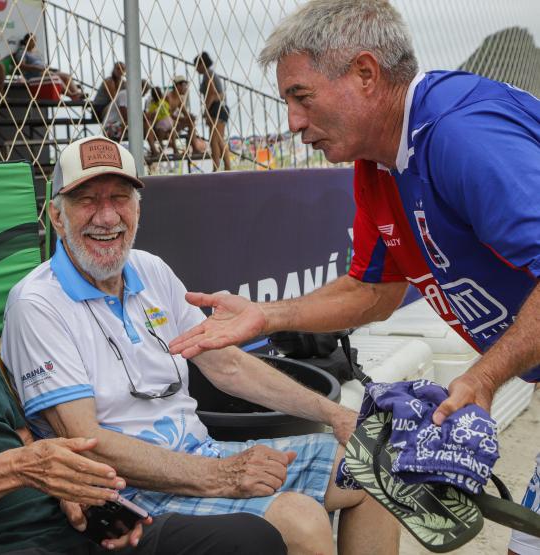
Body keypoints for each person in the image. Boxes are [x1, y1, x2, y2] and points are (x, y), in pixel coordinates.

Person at [169, 1, 540, 553]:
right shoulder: (377, 166)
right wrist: (268, 315)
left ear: (366, 74)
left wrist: (483, 379)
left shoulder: (460, 134)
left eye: (301, 96)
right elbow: (374, 292)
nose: (292, 122)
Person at [0, 144, 288, 555]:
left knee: (253, 539)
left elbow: (21, 432)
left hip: (76, 522)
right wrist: (24, 469)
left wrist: (72, 487)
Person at [1, 136, 399, 555]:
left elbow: (228, 365)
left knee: (375, 468)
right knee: (300, 520)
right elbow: (85, 440)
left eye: (120, 197)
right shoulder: (36, 303)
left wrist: (335, 415)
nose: (106, 216)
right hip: (132, 491)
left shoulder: (150, 270)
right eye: (87, 200)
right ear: (58, 218)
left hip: (203, 452)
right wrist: (223, 475)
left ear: (138, 209)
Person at [14, 33, 83, 100]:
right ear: (26, 41)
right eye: (32, 40)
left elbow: (43, 66)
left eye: (35, 40)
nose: (34, 42)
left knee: (67, 76)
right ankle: (70, 94)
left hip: (44, 72)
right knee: (54, 76)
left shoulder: (36, 53)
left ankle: (76, 95)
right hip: (34, 74)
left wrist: (52, 69)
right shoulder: (22, 52)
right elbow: (21, 66)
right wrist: (36, 68)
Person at [194, 52, 232, 171]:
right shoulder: (211, 74)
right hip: (221, 108)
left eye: (196, 65)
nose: (196, 69)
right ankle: (224, 166)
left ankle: (220, 167)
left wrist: (206, 111)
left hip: (216, 108)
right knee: (218, 139)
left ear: (201, 64)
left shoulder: (208, 74)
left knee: (215, 140)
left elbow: (211, 94)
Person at [165, 75, 201, 156]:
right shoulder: (168, 97)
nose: (186, 88)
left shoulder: (179, 98)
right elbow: (167, 115)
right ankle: (175, 148)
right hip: (164, 124)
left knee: (191, 121)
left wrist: (190, 117)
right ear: (178, 86)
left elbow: (185, 113)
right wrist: (183, 119)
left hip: (172, 123)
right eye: (184, 85)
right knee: (173, 123)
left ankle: (194, 147)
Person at [144, 86, 174, 158]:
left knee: (159, 139)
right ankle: (174, 148)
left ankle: (161, 151)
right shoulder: (164, 102)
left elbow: (152, 116)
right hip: (170, 121)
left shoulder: (153, 106)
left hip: (162, 123)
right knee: (170, 132)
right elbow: (170, 111)